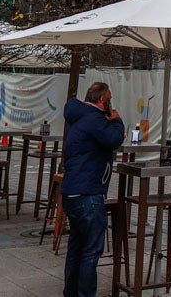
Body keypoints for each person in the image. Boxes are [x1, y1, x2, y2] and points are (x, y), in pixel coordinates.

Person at [62, 82, 126, 297]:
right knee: (90, 252)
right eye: (109, 98)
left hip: (71, 192)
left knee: (76, 248)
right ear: (102, 100)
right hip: (88, 193)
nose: (110, 102)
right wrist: (117, 120)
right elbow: (114, 139)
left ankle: (70, 293)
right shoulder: (94, 118)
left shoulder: (77, 115)